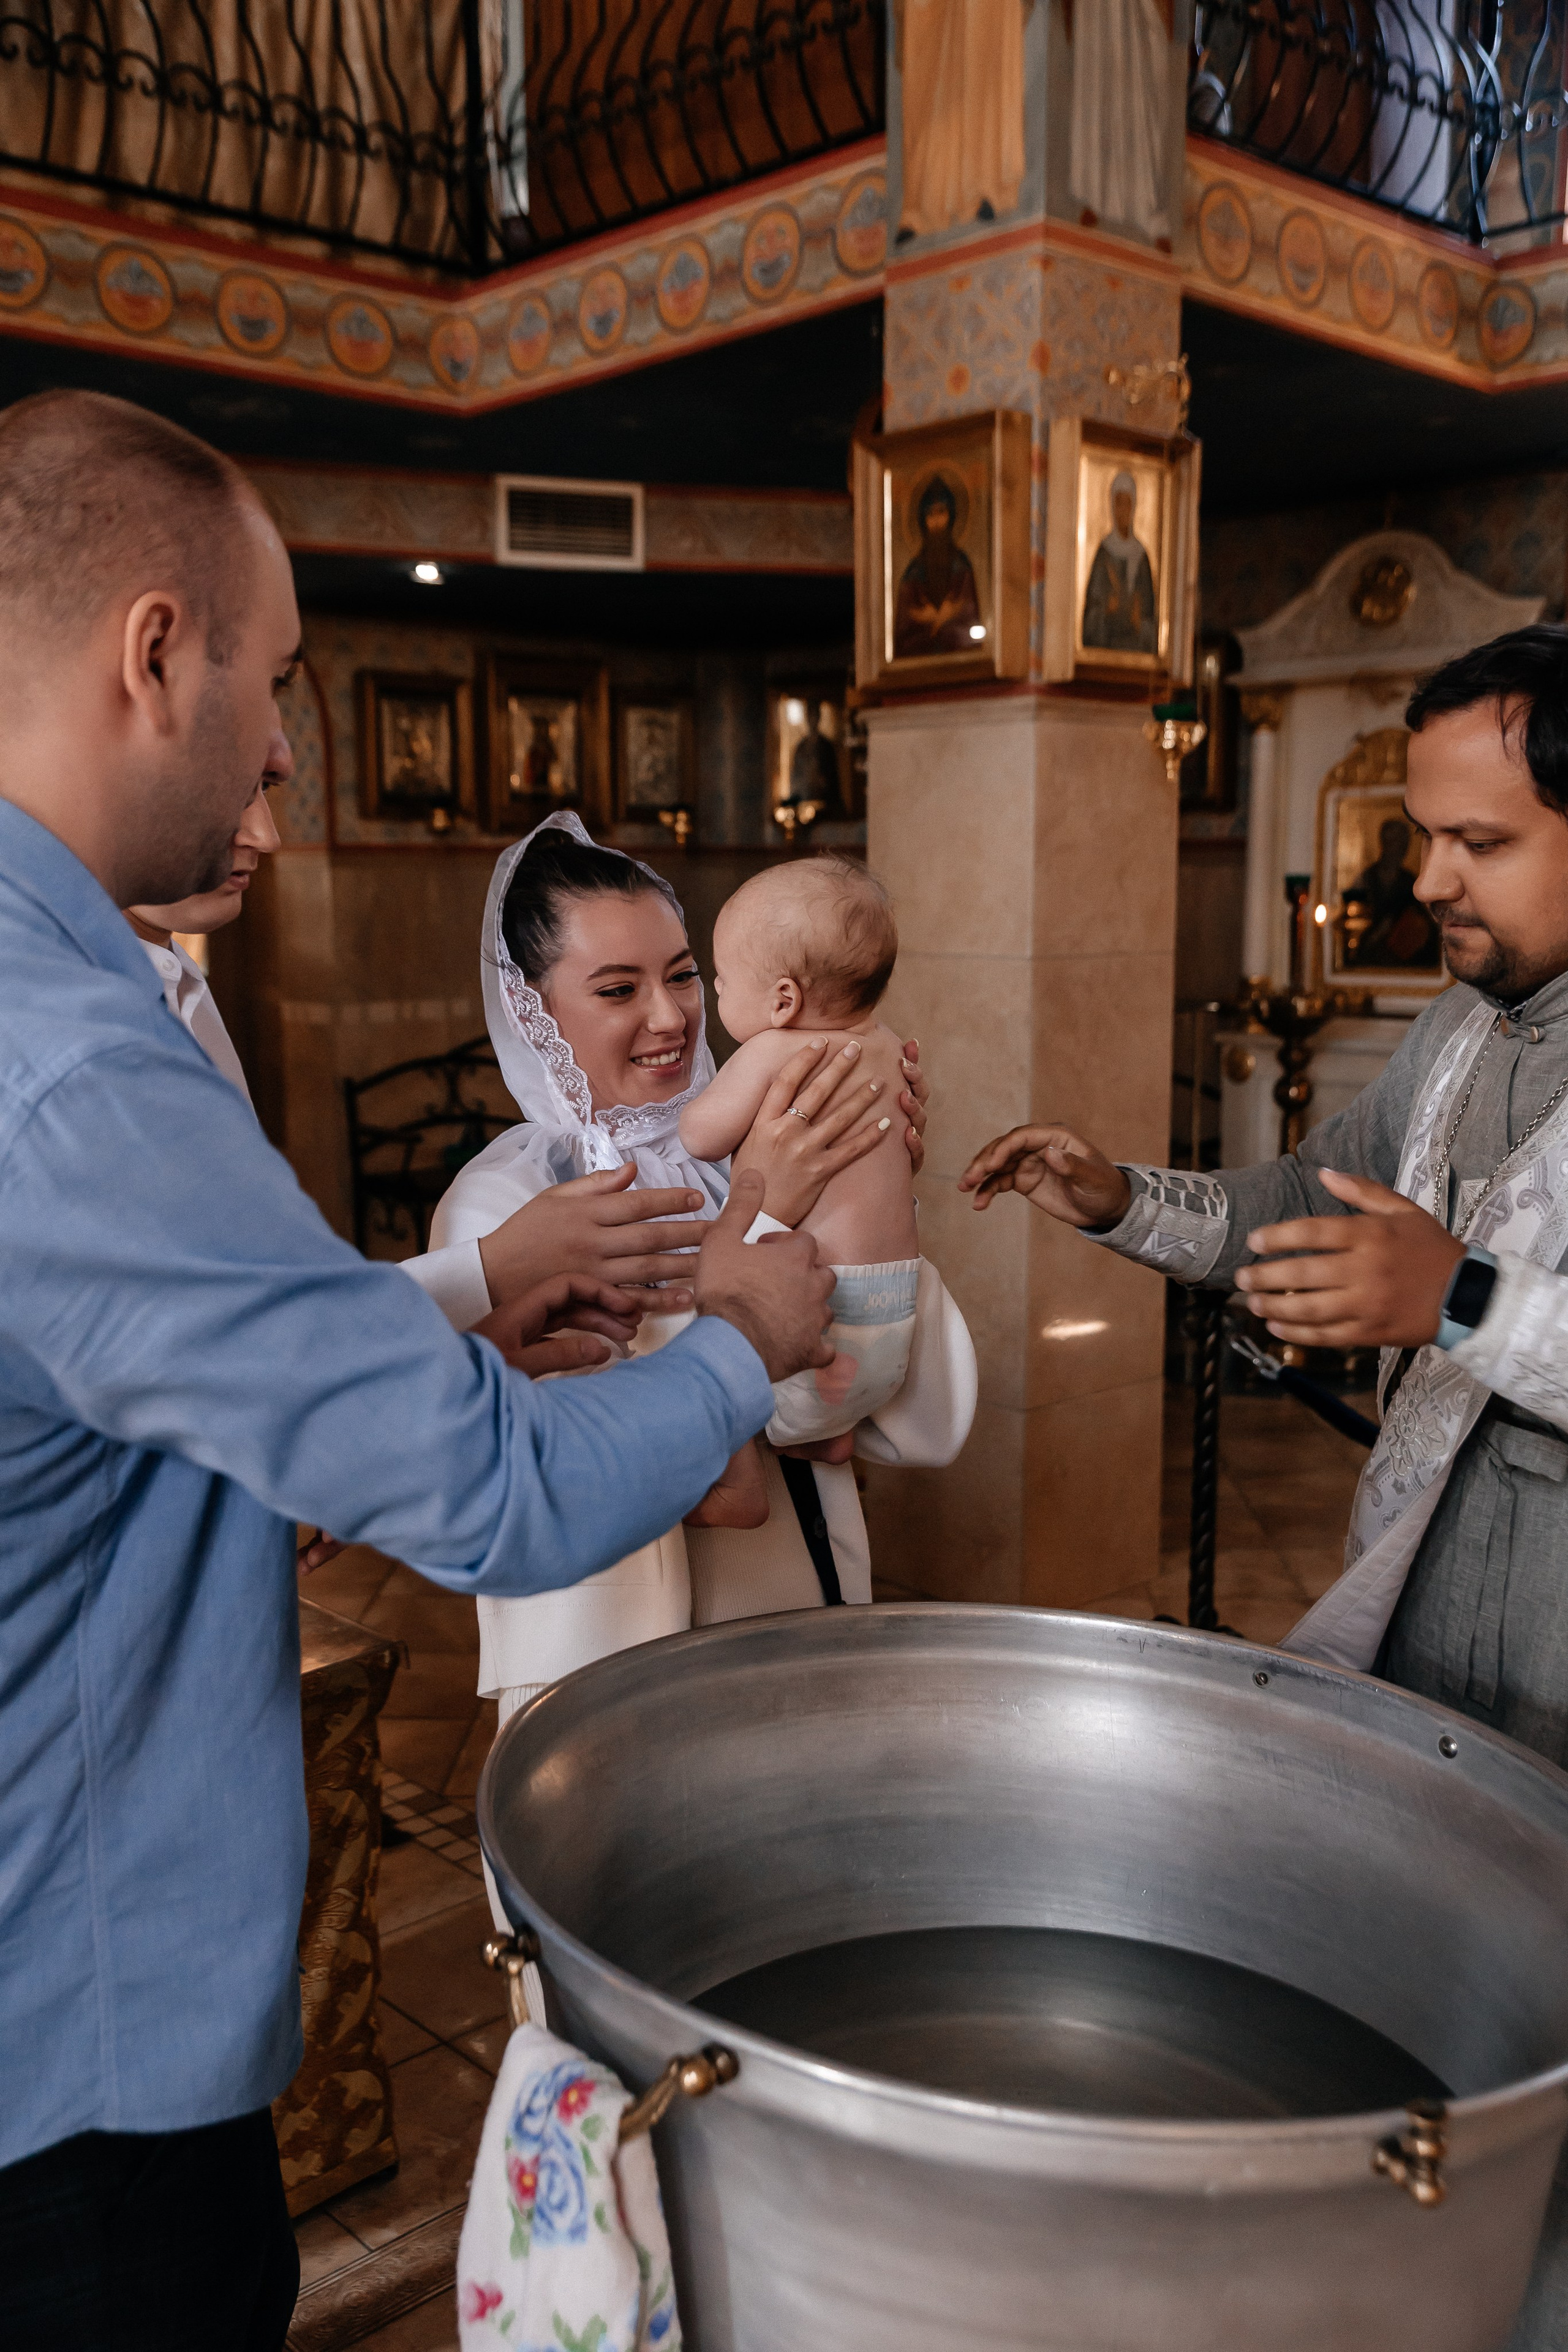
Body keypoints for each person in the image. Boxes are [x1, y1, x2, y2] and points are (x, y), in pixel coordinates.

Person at [0, 388, 839, 2352]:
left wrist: (455, 1309)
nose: (287, 747)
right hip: (72, 2040)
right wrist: (742, 1334)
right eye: (280, 676)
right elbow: (498, 1494)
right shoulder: (75, 1070)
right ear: (155, 653)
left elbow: (127, 1360)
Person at [960, 622, 1568, 2351]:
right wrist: (1113, 1197)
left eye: (1478, 840)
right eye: (1424, 833)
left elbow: (1437, 1286)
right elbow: (1296, 1203)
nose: (1425, 876)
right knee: (1446, 2018)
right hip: (1432, 1628)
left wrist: (1458, 1300)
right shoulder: (1454, 1033)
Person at [429, 814, 971, 1763]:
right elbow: (569, 1472)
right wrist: (768, 1209)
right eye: (617, 989)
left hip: (798, 1604)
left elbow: (900, 1414)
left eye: (684, 976)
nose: (673, 1017)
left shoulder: (763, 1129)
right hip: (617, 1662)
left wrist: (869, 1202)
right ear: (531, 1011)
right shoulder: (507, 1207)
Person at [682, 856, 939, 1471]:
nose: (715, 990)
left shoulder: (775, 1049)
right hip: (895, 1304)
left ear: (783, 1000)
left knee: (756, 1405)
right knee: (829, 1411)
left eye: (722, 978)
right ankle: (829, 1433)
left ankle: (787, 1445)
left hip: (816, 1307)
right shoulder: (887, 1048)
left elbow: (699, 1137)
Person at [892, 475, 981, 659]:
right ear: (923, 520)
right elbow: (903, 629)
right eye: (931, 514)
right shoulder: (913, 571)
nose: (937, 520)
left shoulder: (962, 565)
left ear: (951, 516)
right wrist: (923, 617)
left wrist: (950, 614)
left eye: (942, 512)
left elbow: (971, 618)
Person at [1344, 814, 1441, 969]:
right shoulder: (1367, 878)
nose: (1398, 848)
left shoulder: (1410, 882)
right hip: (1368, 954)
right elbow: (1351, 916)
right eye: (1393, 841)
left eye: (1402, 843)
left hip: (1402, 957)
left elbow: (1424, 925)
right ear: (1383, 844)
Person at [1081, 472, 1157, 654]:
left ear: (1134, 506)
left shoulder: (1141, 557)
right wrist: (1107, 608)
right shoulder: (1104, 554)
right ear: (1112, 506)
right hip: (1106, 645)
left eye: (1127, 504)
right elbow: (1090, 618)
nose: (1122, 511)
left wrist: (1140, 621)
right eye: (1118, 503)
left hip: (1135, 651)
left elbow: (1149, 617)